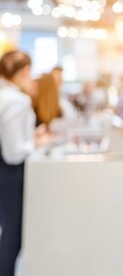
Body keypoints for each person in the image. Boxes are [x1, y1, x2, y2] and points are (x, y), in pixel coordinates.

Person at [0, 50, 37, 276]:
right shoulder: (16, 100)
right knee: (13, 234)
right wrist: (37, 145)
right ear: (24, 70)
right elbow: (14, 151)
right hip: (10, 173)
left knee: (8, 230)